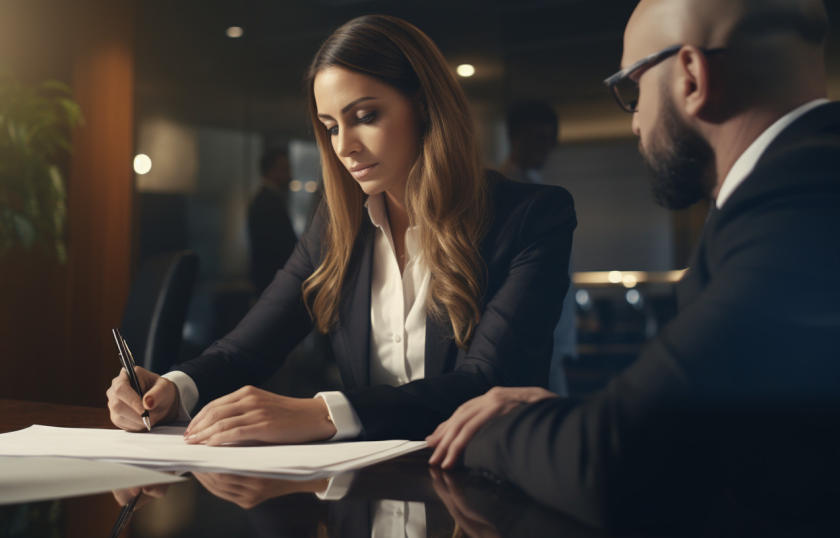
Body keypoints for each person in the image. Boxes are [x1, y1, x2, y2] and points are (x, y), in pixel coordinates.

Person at [427, 0, 840, 528]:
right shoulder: (795, 185)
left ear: (690, 75)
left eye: (633, 89)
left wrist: (495, 429)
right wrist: (567, 419)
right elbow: (708, 431)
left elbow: (612, 464)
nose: (636, 123)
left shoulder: (801, 206)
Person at [106, 14, 576, 446]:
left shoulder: (533, 218)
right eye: (331, 127)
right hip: (369, 494)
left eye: (365, 116)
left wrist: (322, 413)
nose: (344, 147)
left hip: (482, 495)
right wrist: (172, 388)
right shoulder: (335, 228)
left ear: (426, 107)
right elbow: (243, 351)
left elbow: (486, 386)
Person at [500, 100, 576, 396]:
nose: (546, 148)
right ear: (516, 138)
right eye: (538, 138)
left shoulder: (546, 191)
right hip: (521, 337)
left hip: (554, 336)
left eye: (550, 139)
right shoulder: (502, 195)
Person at [247, 148, 298, 296]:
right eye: (285, 169)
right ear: (271, 171)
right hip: (273, 281)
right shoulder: (267, 202)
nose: (290, 175)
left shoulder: (266, 199)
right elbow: (279, 246)